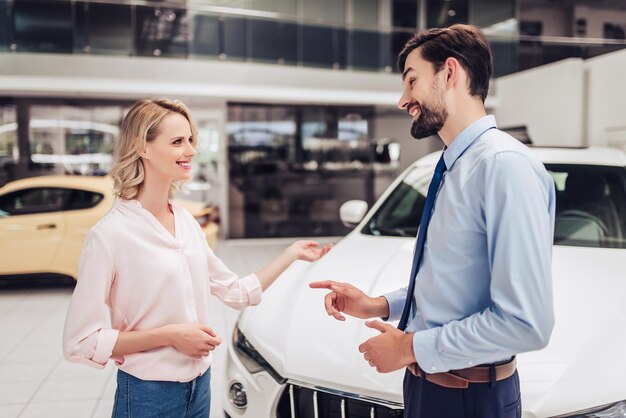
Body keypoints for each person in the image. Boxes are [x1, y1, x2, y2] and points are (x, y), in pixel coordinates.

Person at [310, 24, 555, 418]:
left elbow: (526, 323)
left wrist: (408, 348)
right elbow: (453, 284)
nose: (402, 99)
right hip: (431, 388)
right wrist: (377, 305)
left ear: (450, 73)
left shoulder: (503, 167)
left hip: (470, 398)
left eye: (412, 81)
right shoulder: (453, 165)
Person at [63, 98, 332, 418]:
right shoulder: (109, 236)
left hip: (200, 385)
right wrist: (170, 336)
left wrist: (291, 254)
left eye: (191, 140)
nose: (191, 150)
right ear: (142, 148)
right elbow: (81, 342)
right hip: (149, 393)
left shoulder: (187, 222)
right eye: (177, 141)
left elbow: (236, 292)